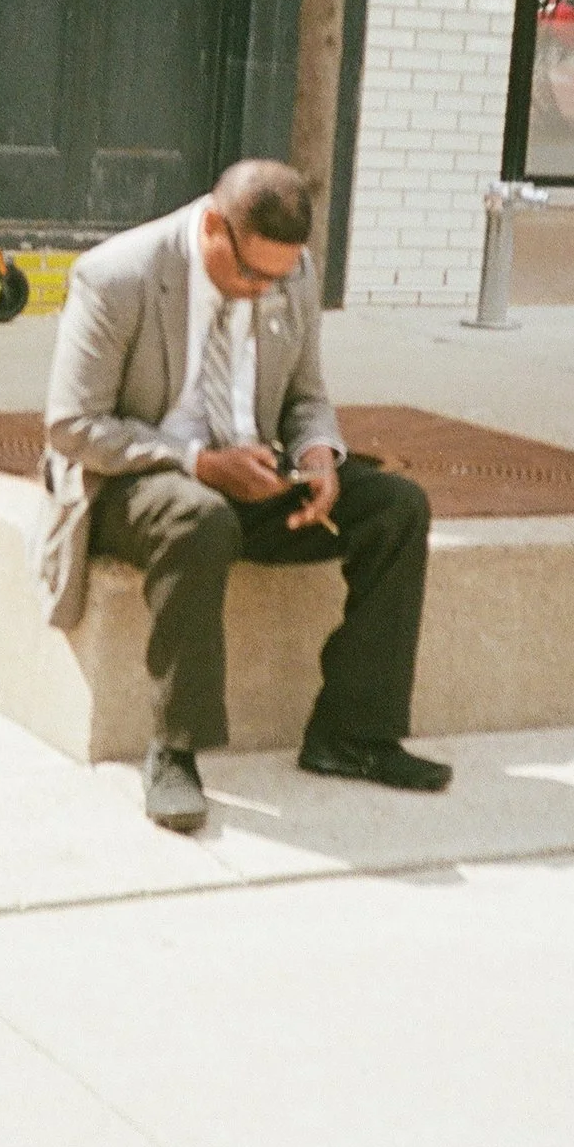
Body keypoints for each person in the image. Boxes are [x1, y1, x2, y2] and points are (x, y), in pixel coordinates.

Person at [33, 158, 449, 832]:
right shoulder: (117, 276)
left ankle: (351, 734)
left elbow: (307, 396)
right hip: (133, 480)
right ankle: (175, 749)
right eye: (252, 274)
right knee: (201, 519)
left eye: (277, 279)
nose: (264, 291)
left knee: (397, 509)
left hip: (249, 470)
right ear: (212, 228)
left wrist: (317, 454)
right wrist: (199, 462)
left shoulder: (292, 273)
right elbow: (72, 425)